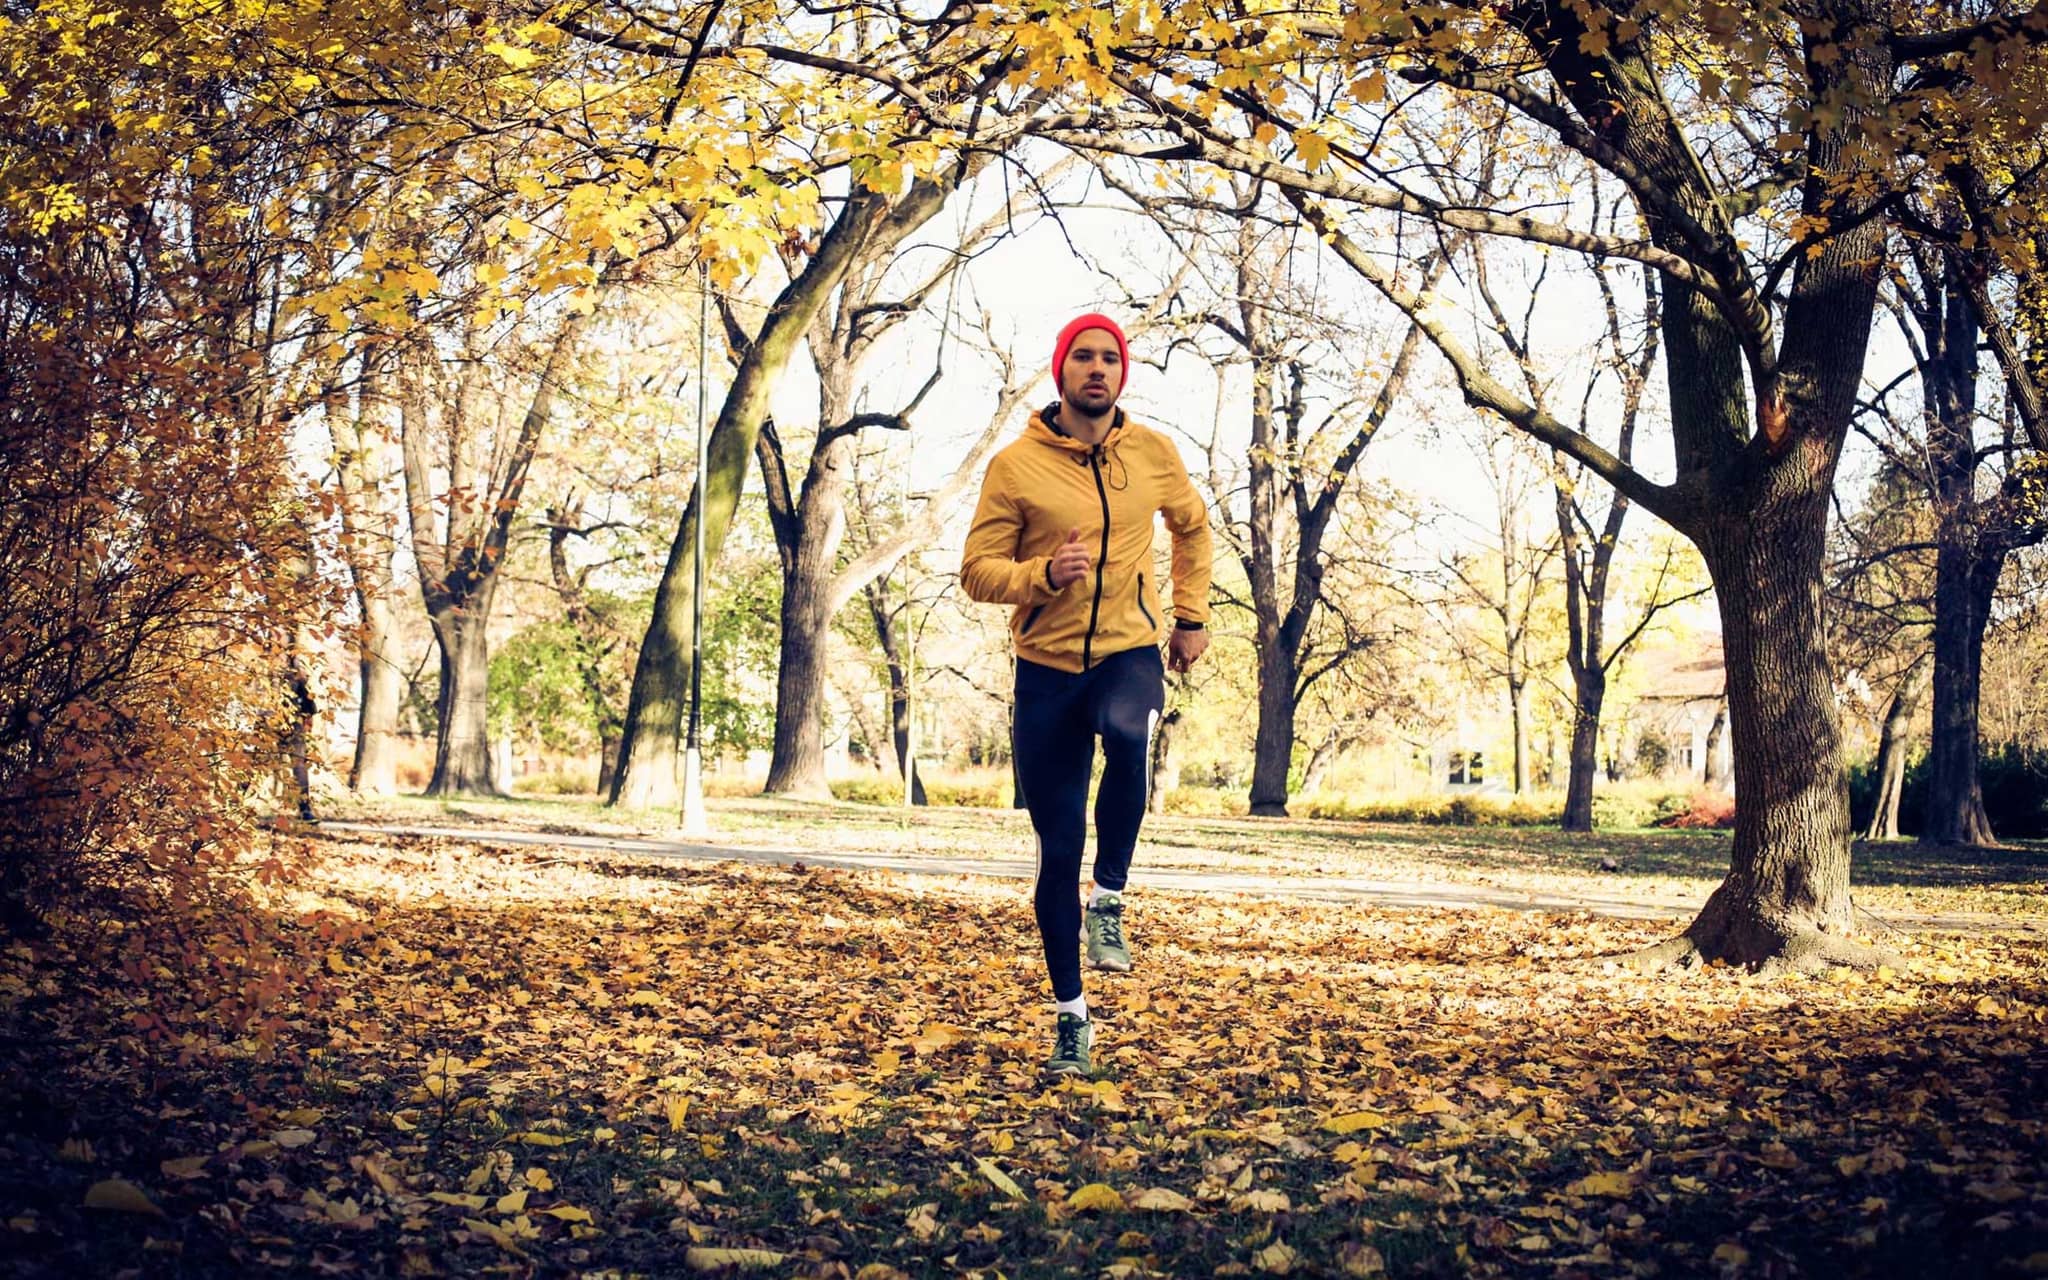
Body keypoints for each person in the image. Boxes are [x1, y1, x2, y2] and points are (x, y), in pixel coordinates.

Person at [960, 313, 1214, 1077]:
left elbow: (1193, 530)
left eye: (1109, 358)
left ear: (1122, 373)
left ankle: (1111, 896)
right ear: (1060, 370)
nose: (1097, 369)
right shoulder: (1015, 467)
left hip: (1129, 651)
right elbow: (976, 571)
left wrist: (1192, 616)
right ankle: (1071, 1015)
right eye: (1083, 358)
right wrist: (1042, 575)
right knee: (1055, 848)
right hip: (1045, 669)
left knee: (1132, 732)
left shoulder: (1153, 453)